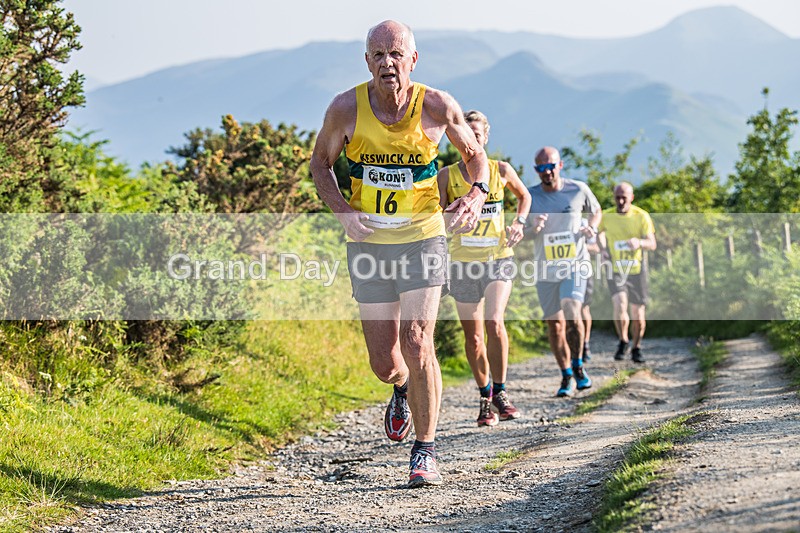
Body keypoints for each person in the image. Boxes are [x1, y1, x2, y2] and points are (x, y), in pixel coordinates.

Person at [309, 20, 490, 488]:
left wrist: (477, 193)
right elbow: (320, 164)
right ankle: (401, 388)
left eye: (396, 54)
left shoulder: (436, 105)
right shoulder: (345, 108)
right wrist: (344, 212)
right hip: (368, 241)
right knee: (384, 361)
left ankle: (425, 450)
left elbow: (474, 156)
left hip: (423, 236)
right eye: (378, 55)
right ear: (366, 61)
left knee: (417, 337)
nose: (388, 63)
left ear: (413, 58)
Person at [437, 110, 531, 427]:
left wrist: (519, 223)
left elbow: (525, 197)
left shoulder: (500, 170)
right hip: (463, 264)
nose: (472, 140)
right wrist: (452, 222)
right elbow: (435, 221)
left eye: (477, 135)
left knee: (494, 320)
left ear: (485, 137)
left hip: (498, 258)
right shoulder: (447, 176)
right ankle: (485, 395)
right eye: (466, 134)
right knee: (474, 338)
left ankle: (501, 392)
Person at [527, 147, 601, 397]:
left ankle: (578, 364)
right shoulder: (529, 196)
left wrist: (591, 227)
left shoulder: (578, 189)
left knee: (572, 308)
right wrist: (533, 229)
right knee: (555, 325)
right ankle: (566, 374)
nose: (546, 172)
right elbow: (521, 232)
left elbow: (596, 211)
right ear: (536, 170)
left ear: (560, 165)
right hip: (545, 269)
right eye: (541, 169)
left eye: (550, 167)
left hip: (575, 264)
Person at [598, 182, 656, 363]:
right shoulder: (606, 216)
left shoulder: (641, 216)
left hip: (636, 270)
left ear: (632, 197)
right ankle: (623, 340)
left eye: (624, 197)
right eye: (617, 197)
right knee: (620, 304)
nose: (621, 201)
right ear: (614, 197)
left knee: (638, 314)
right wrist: (603, 249)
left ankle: (637, 347)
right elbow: (598, 233)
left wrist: (639, 243)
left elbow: (652, 244)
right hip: (616, 269)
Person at [582, 219, 601, 363]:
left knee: (583, 309)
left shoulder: (585, 222)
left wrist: (578, 246)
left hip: (583, 272)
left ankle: (585, 343)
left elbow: (596, 248)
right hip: (560, 271)